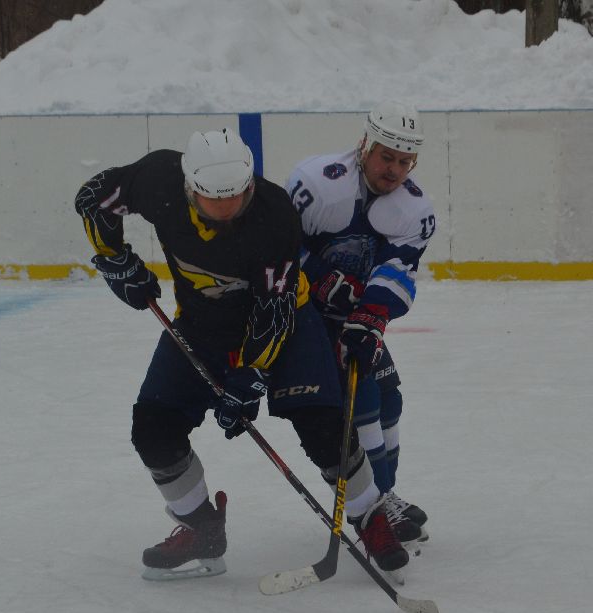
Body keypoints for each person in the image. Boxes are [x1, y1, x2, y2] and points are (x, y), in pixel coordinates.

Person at [74, 129, 409, 580]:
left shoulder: (274, 217)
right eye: (214, 201)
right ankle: (201, 528)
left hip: (288, 323)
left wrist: (251, 375)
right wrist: (114, 260)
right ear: (190, 187)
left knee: (323, 427)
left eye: (237, 197)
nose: (227, 211)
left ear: (250, 183)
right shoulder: (157, 180)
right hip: (201, 324)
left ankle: (370, 517)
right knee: (153, 429)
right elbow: (93, 197)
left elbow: (274, 309)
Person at [285, 102, 436, 547]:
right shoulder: (318, 182)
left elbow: (399, 270)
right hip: (303, 319)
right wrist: (313, 282)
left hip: (355, 320)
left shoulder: (414, 209)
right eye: (386, 156)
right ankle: (371, 508)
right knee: (363, 402)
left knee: (389, 399)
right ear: (365, 145)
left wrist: (371, 314)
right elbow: (275, 247)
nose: (394, 170)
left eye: (404, 162)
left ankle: (383, 495)